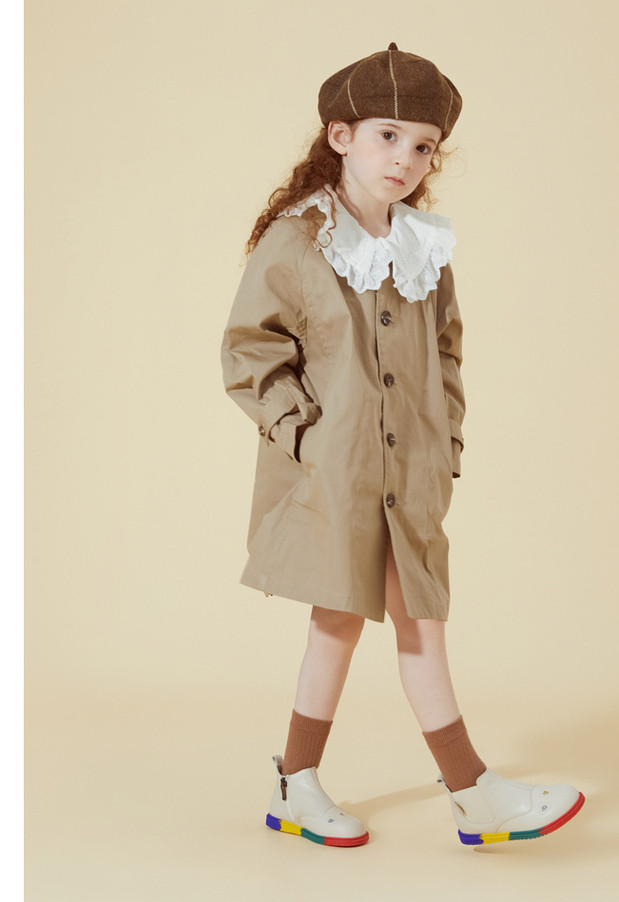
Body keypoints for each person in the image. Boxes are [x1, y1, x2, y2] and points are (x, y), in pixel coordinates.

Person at [221, 43, 584, 848]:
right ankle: (464, 792)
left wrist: (445, 440)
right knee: (346, 620)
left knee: (394, 616)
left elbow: (446, 351)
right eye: (388, 136)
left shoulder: (425, 247)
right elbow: (250, 350)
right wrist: (307, 436)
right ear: (341, 136)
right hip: (334, 474)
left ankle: (308, 784)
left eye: (423, 146)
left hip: (410, 471)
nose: (405, 159)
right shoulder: (297, 241)